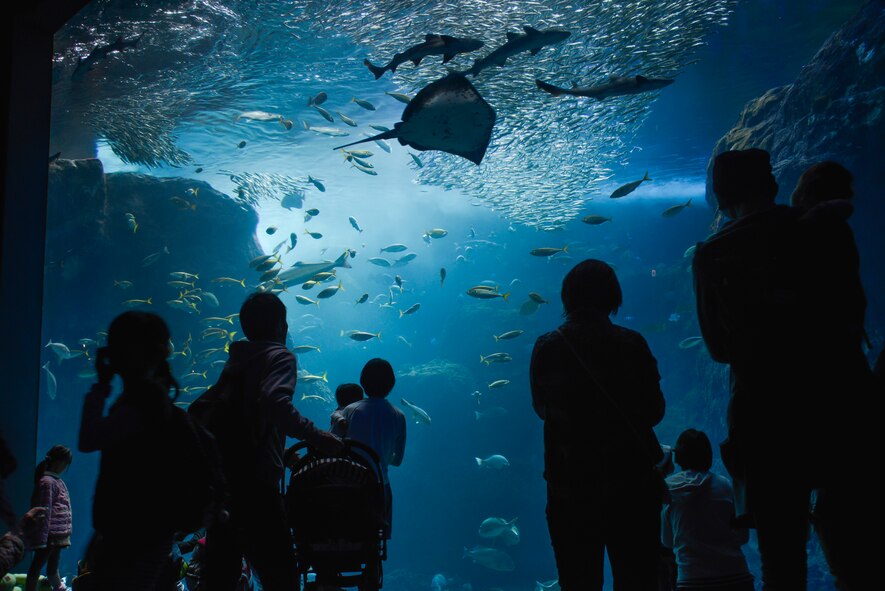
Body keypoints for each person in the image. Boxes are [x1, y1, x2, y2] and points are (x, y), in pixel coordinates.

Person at [693, 149, 876, 590]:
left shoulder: (712, 254)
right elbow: (854, 311)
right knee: (858, 548)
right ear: (772, 185)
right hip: (841, 406)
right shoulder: (823, 228)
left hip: (765, 419)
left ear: (720, 196)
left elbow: (719, 348)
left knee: (781, 559)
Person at [530, 259, 666, 591]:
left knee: (578, 581)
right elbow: (655, 411)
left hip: (570, 489)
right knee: (637, 579)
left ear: (567, 298)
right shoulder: (632, 344)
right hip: (632, 486)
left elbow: (541, 409)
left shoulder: (547, 347)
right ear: (613, 297)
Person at [203, 292, 342, 591]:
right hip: (256, 487)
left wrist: (285, 454)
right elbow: (273, 403)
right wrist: (317, 436)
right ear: (282, 325)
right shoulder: (279, 355)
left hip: (223, 484)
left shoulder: (237, 361)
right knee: (282, 578)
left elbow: (243, 418)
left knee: (219, 578)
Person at [79, 311, 192, 591]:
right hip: (144, 532)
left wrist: (101, 385)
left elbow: (89, 439)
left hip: (134, 533)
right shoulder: (152, 402)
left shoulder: (142, 406)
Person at [661, 429, 753, 591]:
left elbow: (667, 541)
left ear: (678, 457)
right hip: (737, 577)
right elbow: (743, 536)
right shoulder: (725, 485)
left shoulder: (668, 489)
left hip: (692, 581)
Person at [340, 359, 406, 538]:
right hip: (379, 487)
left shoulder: (350, 411)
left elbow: (334, 443)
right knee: (376, 539)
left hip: (347, 484)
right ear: (391, 384)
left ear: (363, 382)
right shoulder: (399, 416)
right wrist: (381, 457)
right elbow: (398, 461)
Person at [25, 445, 73, 591]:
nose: (64, 466)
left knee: (53, 567)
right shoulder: (47, 482)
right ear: (57, 462)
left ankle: (59, 588)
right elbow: (44, 510)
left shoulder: (57, 481)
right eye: (64, 462)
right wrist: (41, 537)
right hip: (50, 535)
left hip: (58, 535)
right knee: (37, 566)